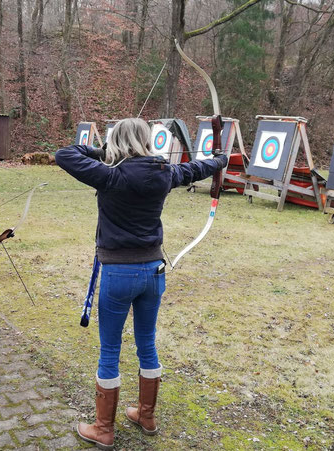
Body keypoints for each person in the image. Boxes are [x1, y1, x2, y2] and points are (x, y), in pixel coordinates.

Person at [55, 118, 228, 450]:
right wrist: (220, 160)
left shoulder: (109, 174)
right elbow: (196, 169)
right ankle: (145, 416)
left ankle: (104, 429)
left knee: (110, 350)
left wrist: (101, 151)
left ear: (116, 141)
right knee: (146, 344)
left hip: (119, 273)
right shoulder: (164, 172)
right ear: (147, 140)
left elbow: (65, 154)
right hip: (153, 271)